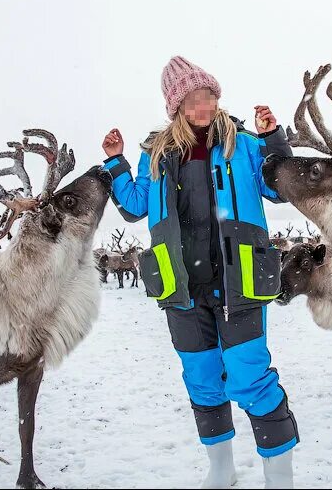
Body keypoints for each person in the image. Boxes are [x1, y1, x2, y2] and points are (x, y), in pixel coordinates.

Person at [101, 56, 297, 489]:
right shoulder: (156, 153)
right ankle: (221, 469)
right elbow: (134, 206)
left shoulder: (243, 144)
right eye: (191, 99)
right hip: (182, 288)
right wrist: (116, 162)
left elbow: (279, 186)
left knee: (250, 377)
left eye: (207, 96)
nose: (202, 106)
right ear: (176, 107)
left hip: (239, 281)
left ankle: (279, 476)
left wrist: (274, 140)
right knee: (202, 380)